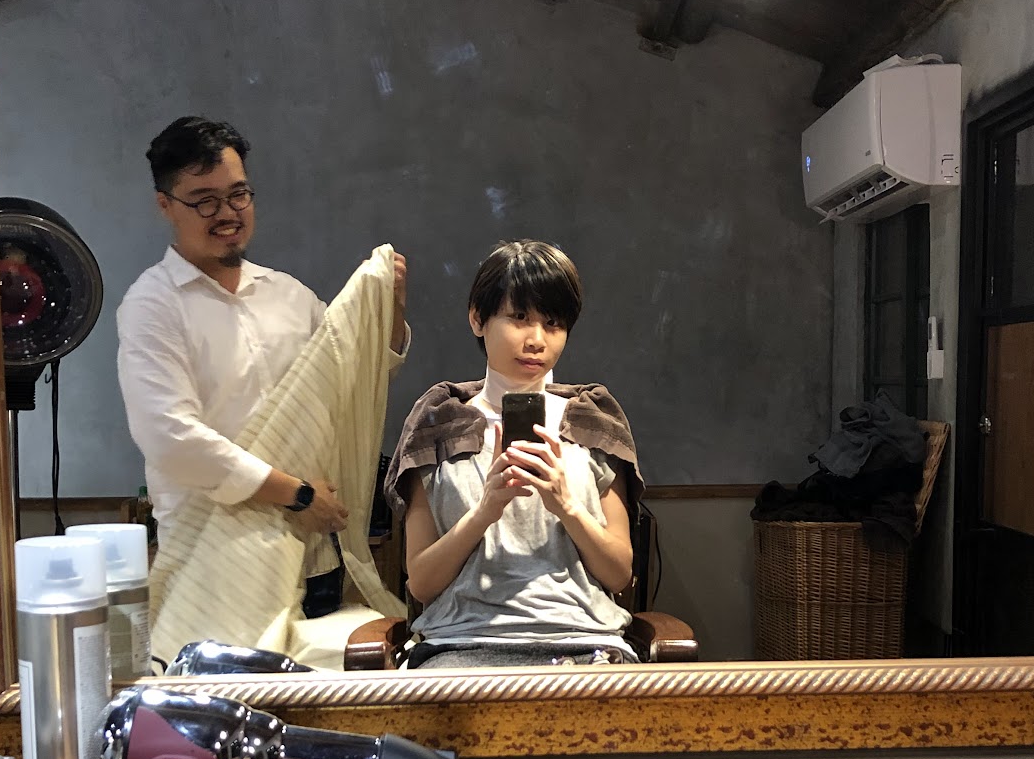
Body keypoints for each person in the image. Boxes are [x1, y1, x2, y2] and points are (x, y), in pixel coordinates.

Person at [117, 116, 409, 618]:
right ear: (165, 204)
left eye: (238, 195)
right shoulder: (153, 305)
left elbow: (360, 377)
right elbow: (171, 438)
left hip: (311, 562)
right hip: (215, 568)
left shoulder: (289, 295)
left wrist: (390, 307)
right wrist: (297, 494)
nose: (227, 213)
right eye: (205, 200)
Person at [385, 240, 643, 668]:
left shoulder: (591, 424)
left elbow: (618, 575)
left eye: (553, 323)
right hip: (460, 644)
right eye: (519, 317)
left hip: (584, 641)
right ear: (478, 318)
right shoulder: (437, 427)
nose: (537, 340)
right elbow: (422, 584)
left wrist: (566, 505)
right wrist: (485, 511)